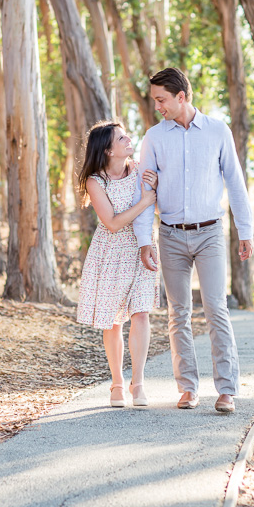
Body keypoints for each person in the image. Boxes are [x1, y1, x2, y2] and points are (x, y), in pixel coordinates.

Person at [132, 67, 254, 413]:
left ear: (181, 97)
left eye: (161, 100)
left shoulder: (217, 131)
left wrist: (245, 231)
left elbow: (236, 182)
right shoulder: (154, 137)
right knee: (178, 314)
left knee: (216, 309)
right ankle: (187, 388)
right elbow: (146, 192)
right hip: (170, 235)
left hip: (211, 233)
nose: (157, 106)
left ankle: (227, 390)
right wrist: (145, 240)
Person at [77, 120, 160, 408]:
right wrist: (145, 201)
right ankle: (116, 384)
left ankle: (138, 385)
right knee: (112, 322)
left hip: (141, 249)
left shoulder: (138, 170)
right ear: (109, 150)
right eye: (121, 138)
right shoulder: (95, 181)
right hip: (110, 254)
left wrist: (153, 194)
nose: (128, 140)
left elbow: (156, 201)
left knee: (140, 313)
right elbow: (111, 223)